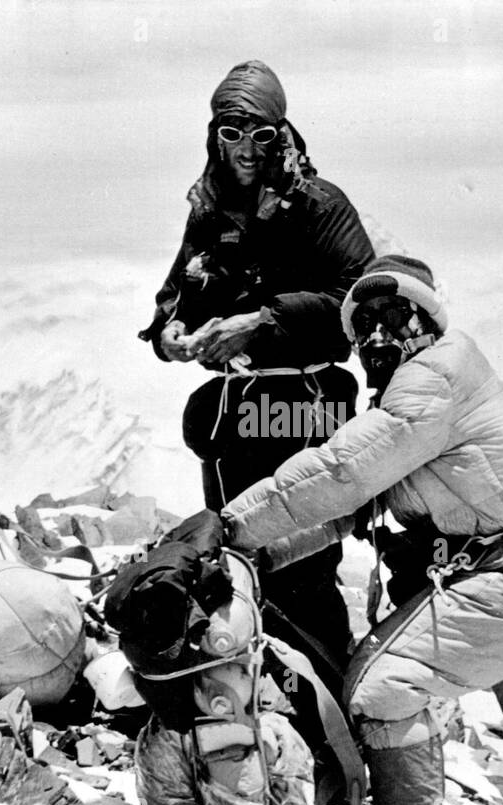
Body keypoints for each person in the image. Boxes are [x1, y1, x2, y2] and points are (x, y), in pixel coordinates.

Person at [221, 255, 503, 805]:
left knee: (381, 687)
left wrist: (225, 526)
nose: (376, 334)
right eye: (361, 323)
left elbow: (341, 472)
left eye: (393, 314)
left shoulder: (432, 378)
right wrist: (258, 554)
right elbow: (352, 505)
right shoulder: (423, 398)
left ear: (428, 317)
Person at [139, 61, 375, 672]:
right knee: (235, 557)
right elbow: (174, 298)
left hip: (303, 406)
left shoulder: (320, 206)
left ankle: (327, 712)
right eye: (231, 132)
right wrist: (171, 335)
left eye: (261, 135)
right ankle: (259, 705)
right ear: (214, 134)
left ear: (282, 134)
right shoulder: (209, 208)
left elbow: (360, 296)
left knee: (301, 565)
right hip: (237, 412)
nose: (245, 149)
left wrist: (263, 320)